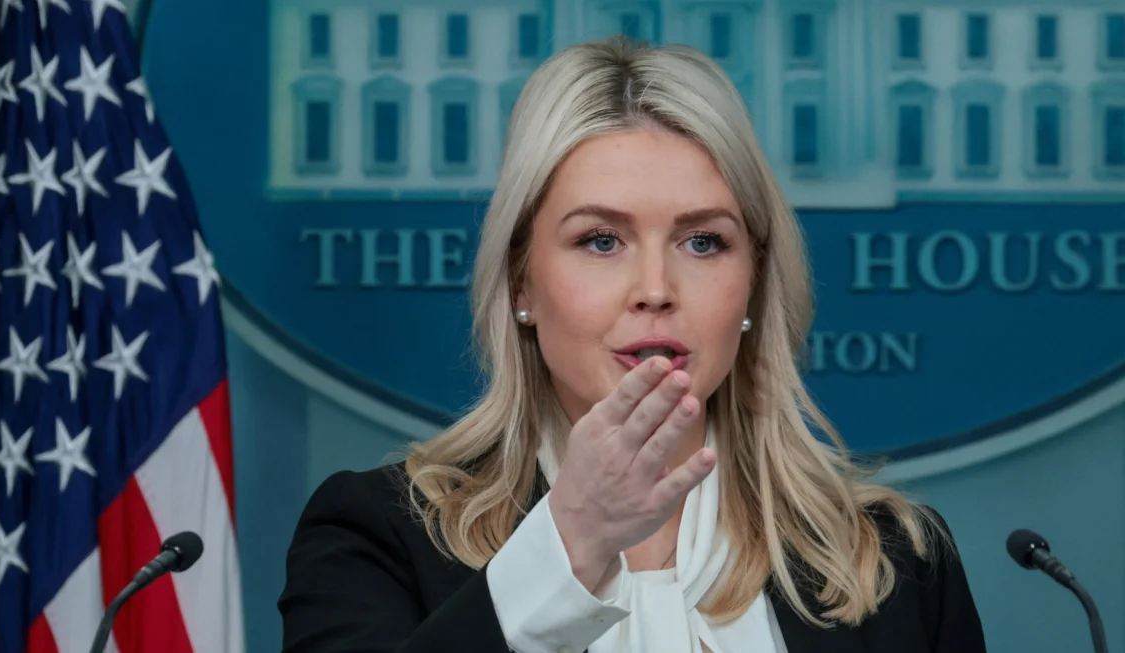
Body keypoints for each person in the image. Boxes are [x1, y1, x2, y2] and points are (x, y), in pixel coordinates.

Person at [278, 36, 987, 653]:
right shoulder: (376, 536)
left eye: (703, 241)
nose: (655, 287)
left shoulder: (893, 558)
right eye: (600, 240)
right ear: (521, 279)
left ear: (753, 284)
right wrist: (568, 547)